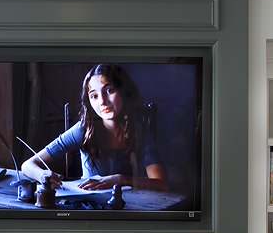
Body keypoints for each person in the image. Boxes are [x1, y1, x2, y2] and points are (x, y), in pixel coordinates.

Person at [21, 64, 169, 191]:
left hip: (127, 210)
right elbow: (28, 165)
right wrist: (43, 175)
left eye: (109, 91)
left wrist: (120, 179)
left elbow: (161, 184)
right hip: (89, 208)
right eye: (94, 96)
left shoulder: (138, 131)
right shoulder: (84, 129)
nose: (103, 102)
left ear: (124, 91)